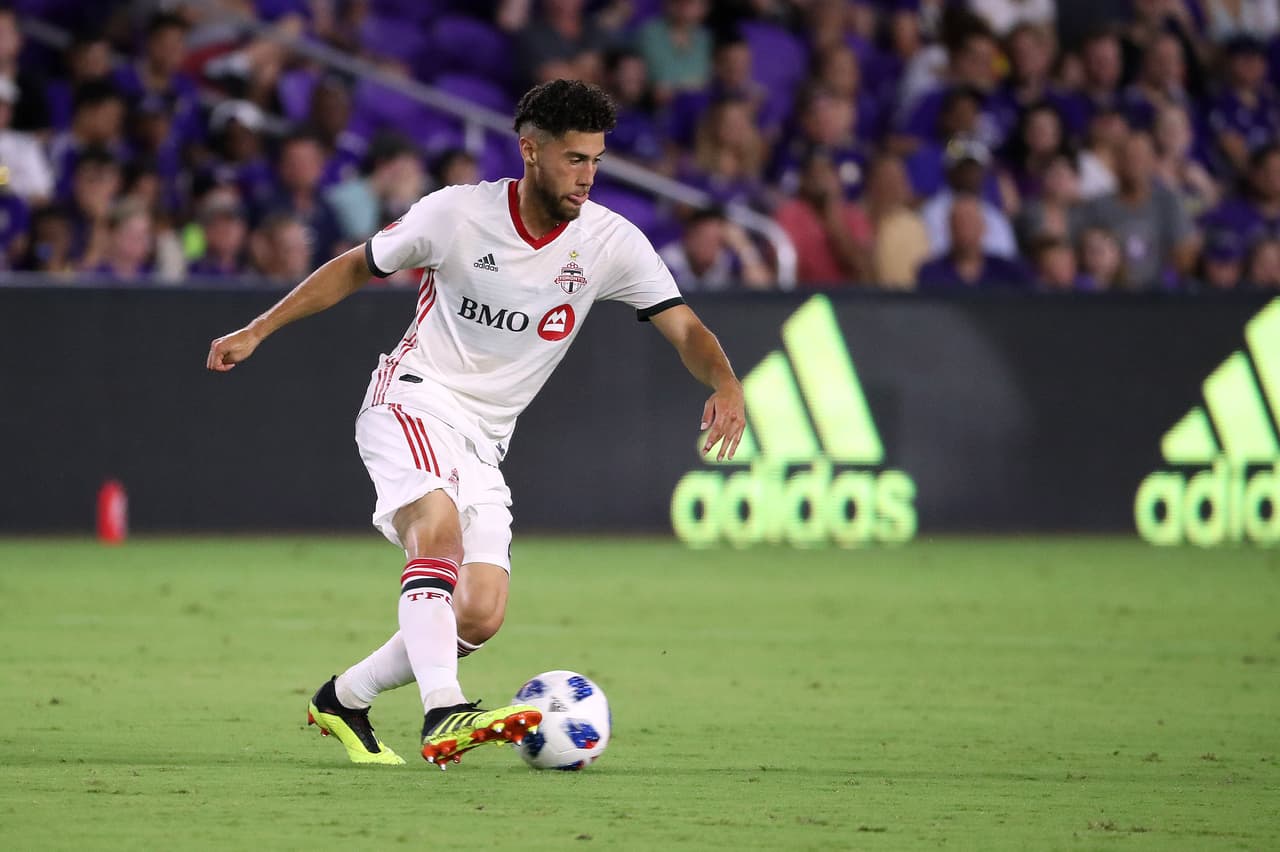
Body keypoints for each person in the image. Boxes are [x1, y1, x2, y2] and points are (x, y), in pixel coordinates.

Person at [205, 80, 746, 768]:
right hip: (413, 399)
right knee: (439, 534)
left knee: (480, 611)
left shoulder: (610, 242)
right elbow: (355, 267)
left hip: (484, 443)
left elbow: (686, 328)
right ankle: (444, 711)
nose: (587, 176)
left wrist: (726, 381)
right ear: (531, 150)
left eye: (596, 161)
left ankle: (343, 698)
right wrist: (258, 329)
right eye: (574, 159)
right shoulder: (457, 214)